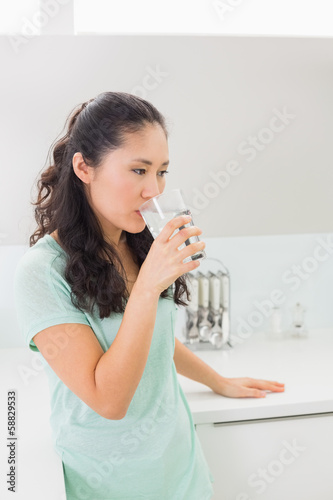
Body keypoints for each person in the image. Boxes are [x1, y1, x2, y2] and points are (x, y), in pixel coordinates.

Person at [13, 91, 285, 500]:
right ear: (84, 167)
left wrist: (218, 380)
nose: (154, 191)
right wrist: (147, 287)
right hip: (108, 483)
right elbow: (109, 400)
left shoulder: (137, 242)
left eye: (162, 172)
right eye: (139, 171)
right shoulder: (41, 272)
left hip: (180, 470)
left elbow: (153, 338)